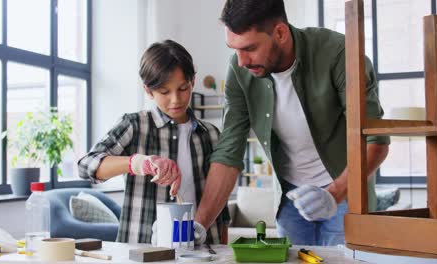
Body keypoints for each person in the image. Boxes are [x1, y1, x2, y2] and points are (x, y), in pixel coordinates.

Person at [194, 0, 389, 246]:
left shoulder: (340, 54)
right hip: (290, 199)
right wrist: (199, 225)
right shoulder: (240, 69)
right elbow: (228, 153)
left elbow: (376, 142)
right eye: (234, 49)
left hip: (345, 194)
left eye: (250, 48)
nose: (241, 61)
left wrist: (333, 194)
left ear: (280, 33)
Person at [78, 40, 229, 245]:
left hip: (199, 249)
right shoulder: (135, 125)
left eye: (183, 88)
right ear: (148, 90)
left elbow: (222, 208)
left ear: (193, 81)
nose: (175, 99)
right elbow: (87, 166)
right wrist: (138, 163)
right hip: (142, 249)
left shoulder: (210, 134)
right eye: (164, 92)